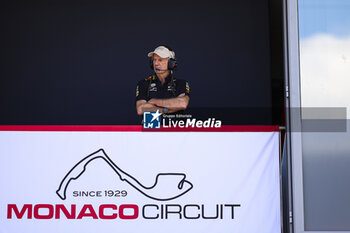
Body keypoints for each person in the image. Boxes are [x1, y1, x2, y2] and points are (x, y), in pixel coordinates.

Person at [135, 46, 190, 115]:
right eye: (154, 60)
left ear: (171, 63)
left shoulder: (181, 83)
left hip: (174, 125)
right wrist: (166, 109)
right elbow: (141, 109)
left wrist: (153, 101)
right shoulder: (144, 83)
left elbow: (182, 104)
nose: (156, 63)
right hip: (152, 125)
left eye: (160, 60)